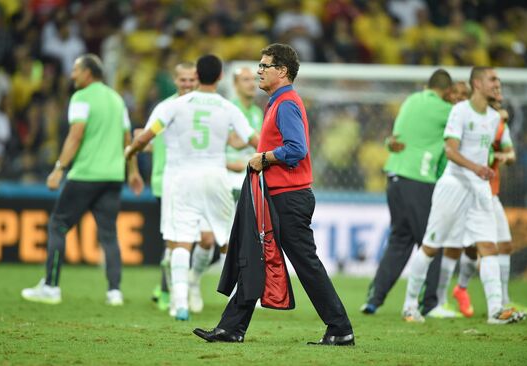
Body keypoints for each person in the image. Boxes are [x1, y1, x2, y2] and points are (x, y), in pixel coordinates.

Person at [193, 43, 355, 346]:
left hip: (288, 198)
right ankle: (231, 328)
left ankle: (340, 327)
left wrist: (263, 158)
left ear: (282, 71)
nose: (259, 71)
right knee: (255, 257)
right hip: (278, 196)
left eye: (264, 65)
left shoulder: (287, 103)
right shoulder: (278, 103)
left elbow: (297, 149)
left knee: (306, 264)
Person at [125, 54, 259, 321]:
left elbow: (147, 136)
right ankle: (242, 301)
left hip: (181, 178)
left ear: (197, 76)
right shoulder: (227, 108)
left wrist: (131, 151)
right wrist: (270, 158)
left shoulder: (175, 106)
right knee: (226, 241)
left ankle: (180, 303)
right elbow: (253, 139)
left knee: (181, 241)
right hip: (215, 176)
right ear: (221, 77)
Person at [401, 67, 521, 324]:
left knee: (488, 246)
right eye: (493, 79)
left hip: (479, 189)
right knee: (431, 246)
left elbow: (496, 151)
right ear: (477, 83)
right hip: (454, 185)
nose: (498, 84)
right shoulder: (460, 111)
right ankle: (410, 305)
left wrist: (492, 163)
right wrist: (477, 167)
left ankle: (496, 310)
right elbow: (451, 151)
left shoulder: (493, 118)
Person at [21, 54, 144, 305]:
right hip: (112, 176)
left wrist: (59, 168)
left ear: (88, 73)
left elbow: (75, 136)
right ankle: (114, 292)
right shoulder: (116, 99)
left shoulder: (81, 97)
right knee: (108, 234)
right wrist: (132, 172)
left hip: (86, 175)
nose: (72, 75)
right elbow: (127, 141)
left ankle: (51, 287)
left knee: (58, 225)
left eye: (76, 70)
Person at [361, 69, 453, 316]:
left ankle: (374, 298)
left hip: (394, 176)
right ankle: (430, 303)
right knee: (431, 240)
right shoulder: (446, 110)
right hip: (418, 178)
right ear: (446, 91)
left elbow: (394, 139)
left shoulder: (411, 100)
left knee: (400, 240)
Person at [450, 89, 527, 317]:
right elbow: (463, 153)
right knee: (473, 248)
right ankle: (461, 289)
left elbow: (510, 153)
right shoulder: (467, 121)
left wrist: (505, 156)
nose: (498, 99)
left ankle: (502, 301)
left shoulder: (497, 123)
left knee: (502, 245)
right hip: (466, 191)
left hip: (489, 193)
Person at [145, 62, 197, 313]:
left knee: (194, 240)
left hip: (196, 181)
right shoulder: (165, 108)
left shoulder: (203, 109)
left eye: (191, 79)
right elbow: (144, 139)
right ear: (175, 81)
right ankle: (170, 292)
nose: (187, 84)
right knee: (175, 240)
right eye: (183, 80)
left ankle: (175, 289)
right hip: (166, 181)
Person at [226, 67, 264, 201]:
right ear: (235, 84)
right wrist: (254, 136)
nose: (252, 84)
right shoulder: (228, 109)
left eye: (254, 79)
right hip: (230, 177)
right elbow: (233, 142)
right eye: (246, 80)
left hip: (251, 173)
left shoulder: (257, 112)